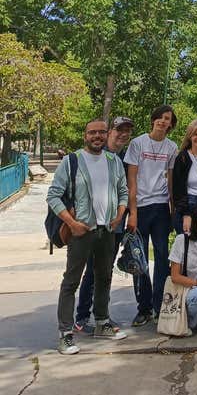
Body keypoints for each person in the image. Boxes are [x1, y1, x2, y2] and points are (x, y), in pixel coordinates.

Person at [48, 119, 129, 355]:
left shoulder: (114, 161)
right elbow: (54, 196)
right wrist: (72, 223)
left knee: (104, 277)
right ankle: (65, 333)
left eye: (101, 132)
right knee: (71, 281)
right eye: (92, 132)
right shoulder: (72, 161)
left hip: (107, 230)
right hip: (82, 230)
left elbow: (123, 191)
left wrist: (120, 214)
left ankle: (102, 322)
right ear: (85, 136)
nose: (97, 136)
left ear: (107, 135)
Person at [75, 116, 133, 333]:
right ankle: (82, 317)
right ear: (110, 132)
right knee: (91, 270)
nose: (123, 134)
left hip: (114, 224)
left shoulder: (125, 157)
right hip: (92, 223)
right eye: (119, 130)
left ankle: (102, 316)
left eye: (127, 131)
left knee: (104, 271)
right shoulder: (97, 154)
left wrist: (124, 215)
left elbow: (124, 190)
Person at [124, 105, 178, 326]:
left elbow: (172, 181)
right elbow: (132, 181)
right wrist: (133, 213)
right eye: (160, 117)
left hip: (161, 206)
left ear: (171, 124)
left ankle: (159, 305)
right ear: (153, 119)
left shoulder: (172, 147)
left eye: (167, 119)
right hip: (142, 206)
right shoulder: (138, 143)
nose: (163, 121)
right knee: (140, 259)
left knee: (163, 256)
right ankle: (143, 307)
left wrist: (173, 210)